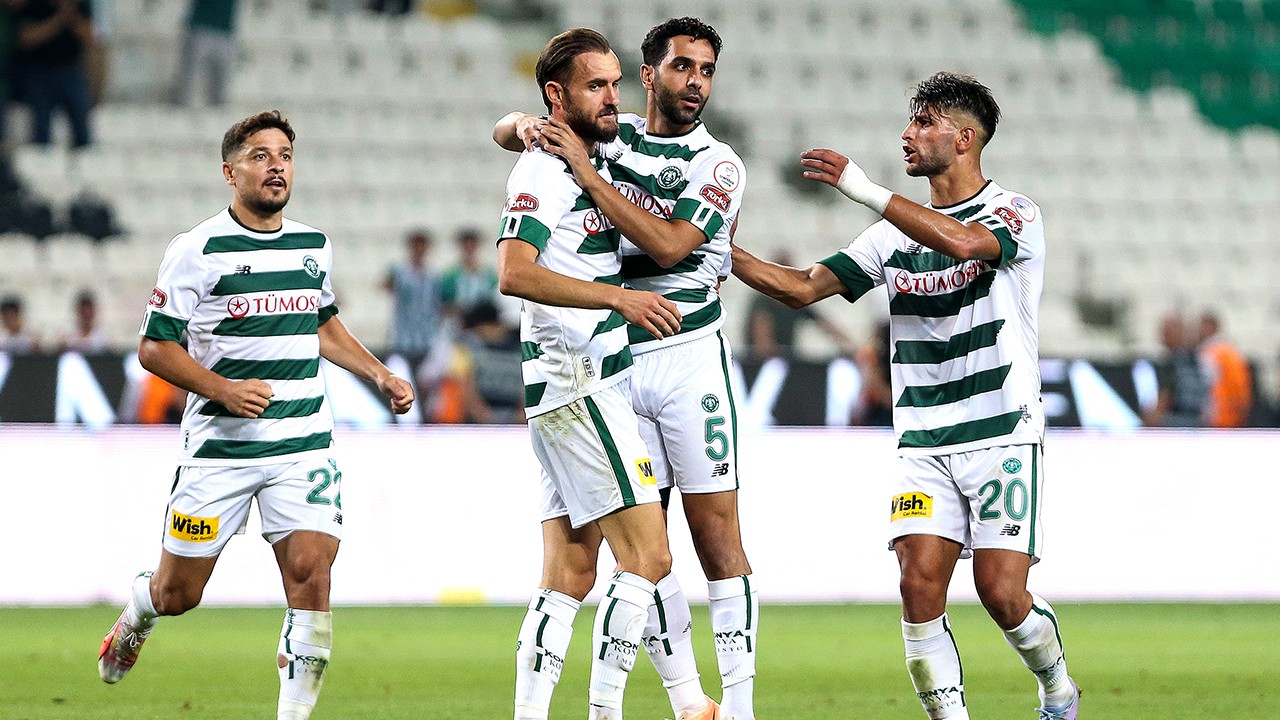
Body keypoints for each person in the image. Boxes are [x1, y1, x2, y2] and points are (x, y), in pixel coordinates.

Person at [730, 72, 1080, 720]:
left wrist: (863, 189)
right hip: (921, 442)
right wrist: (719, 251)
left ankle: (1057, 689)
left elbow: (965, 243)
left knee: (1002, 594)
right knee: (918, 588)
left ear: (965, 138)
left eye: (924, 122)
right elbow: (803, 287)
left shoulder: (1014, 213)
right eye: (910, 121)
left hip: (1001, 431)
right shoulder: (888, 238)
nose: (907, 134)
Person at [96, 110, 415, 720]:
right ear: (230, 171)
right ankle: (142, 605)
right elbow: (154, 347)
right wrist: (221, 389)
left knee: (312, 576)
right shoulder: (196, 250)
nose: (276, 167)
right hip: (221, 451)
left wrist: (379, 374)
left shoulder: (313, 245)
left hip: (303, 444)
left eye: (285, 156)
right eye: (260, 156)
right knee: (179, 593)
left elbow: (321, 322)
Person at [494, 18, 755, 720]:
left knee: (572, 570)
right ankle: (612, 708)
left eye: (707, 69)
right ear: (652, 75)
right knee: (648, 556)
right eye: (597, 86)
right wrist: (527, 127)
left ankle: (700, 704)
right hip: (589, 377)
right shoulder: (567, 158)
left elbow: (672, 246)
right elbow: (514, 270)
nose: (609, 97)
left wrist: (533, 130)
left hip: (626, 369)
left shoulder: (671, 156)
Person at [744, 247, 858, 361]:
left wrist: (852, 349)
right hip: (761, 362)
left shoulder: (794, 298)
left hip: (787, 359)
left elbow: (826, 325)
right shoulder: (762, 301)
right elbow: (762, 340)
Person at [13, 0, 95, 147]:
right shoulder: (33, 5)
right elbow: (26, 38)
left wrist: (71, 16)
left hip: (71, 70)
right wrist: (59, 19)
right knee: (41, 128)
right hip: (39, 71)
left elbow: (90, 37)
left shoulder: (78, 5)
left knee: (81, 124)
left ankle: (84, 158)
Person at [383, 228, 443, 356]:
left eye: (422, 247)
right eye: (416, 246)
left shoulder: (433, 276)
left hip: (427, 336)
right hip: (403, 337)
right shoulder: (399, 272)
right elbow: (385, 285)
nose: (419, 250)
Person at [1142, 312, 1207, 428]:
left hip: (1181, 423)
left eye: (1167, 332)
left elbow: (1164, 399)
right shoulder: (1198, 358)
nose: (1163, 336)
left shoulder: (1173, 363)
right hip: (1202, 422)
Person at [174, 0, 238, 107]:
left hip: (225, 32)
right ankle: (184, 107)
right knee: (191, 80)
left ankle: (218, 111)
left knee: (220, 85)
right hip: (201, 28)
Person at [1195, 310, 1253, 428]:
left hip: (1221, 414)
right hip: (1225, 412)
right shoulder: (1228, 350)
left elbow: (1208, 383)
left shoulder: (1214, 352)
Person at [439, 227, 500, 317]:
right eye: (466, 245)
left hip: (482, 319)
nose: (469, 249)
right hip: (459, 320)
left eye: (472, 245)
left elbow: (494, 299)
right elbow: (444, 302)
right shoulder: (450, 276)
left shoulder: (489, 274)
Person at [58, 289, 108, 353]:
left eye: (89, 312)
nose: (86, 314)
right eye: (83, 312)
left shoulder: (102, 337)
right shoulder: (68, 336)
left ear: (93, 312)